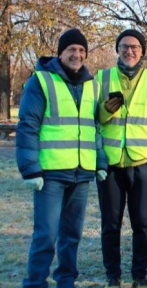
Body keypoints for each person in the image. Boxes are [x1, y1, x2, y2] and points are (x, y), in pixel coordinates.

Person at [16, 28, 107, 288]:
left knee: (72, 235)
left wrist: (99, 163)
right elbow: (28, 125)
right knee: (46, 235)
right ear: (60, 53)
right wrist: (30, 169)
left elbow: (94, 128)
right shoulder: (41, 81)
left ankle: (66, 281)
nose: (77, 55)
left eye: (81, 50)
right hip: (50, 174)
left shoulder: (93, 85)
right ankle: (35, 283)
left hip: (81, 174)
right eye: (71, 50)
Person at [96, 29, 147, 288]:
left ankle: (140, 275)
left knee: (142, 224)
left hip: (142, 163)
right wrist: (105, 110)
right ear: (117, 49)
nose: (130, 51)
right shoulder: (102, 77)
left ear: (142, 51)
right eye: (125, 46)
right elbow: (94, 117)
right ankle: (112, 276)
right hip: (111, 163)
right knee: (110, 225)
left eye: (135, 47)